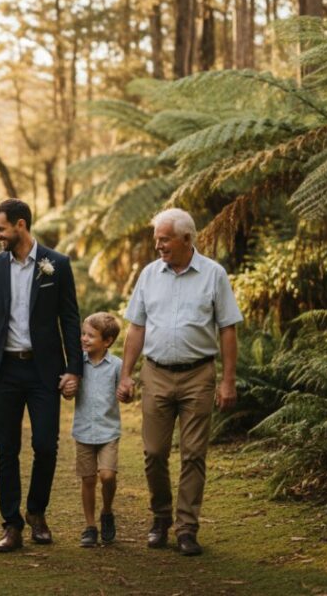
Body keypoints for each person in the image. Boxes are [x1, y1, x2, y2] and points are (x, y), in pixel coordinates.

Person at [116, 208, 242, 556]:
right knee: (154, 452)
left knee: (194, 455)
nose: (158, 245)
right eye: (156, 239)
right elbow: (136, 327)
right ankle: (160, 517)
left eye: (165, 239)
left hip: (198, 375)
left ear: (187, 239)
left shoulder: (214, 275)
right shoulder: (149, 275)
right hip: (155, 373)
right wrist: (126, 374)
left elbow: (227, 329)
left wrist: (227, 381)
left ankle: (187, 527)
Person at [0, 198, 82, 552]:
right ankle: (12, 524)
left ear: (20, 225)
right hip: (5, 371)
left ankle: (37, 512)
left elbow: (70, 320)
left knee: (46, 445)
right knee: (6, 450)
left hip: (44, 370)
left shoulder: (57, 264)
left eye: (0, 228)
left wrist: (73, 370)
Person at [72, 312, 123, 548]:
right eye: (83, 334)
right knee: (89, 479)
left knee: (107, 476)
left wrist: (128, 394)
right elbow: (67, 388)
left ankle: (107, 511)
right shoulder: (76, 363)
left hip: (108, 431)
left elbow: (125, 394)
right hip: (83, 430)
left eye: (91, 336)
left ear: (107, 341)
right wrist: (66, 387)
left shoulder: (116, 366)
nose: (84, 339)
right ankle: (90, 526)